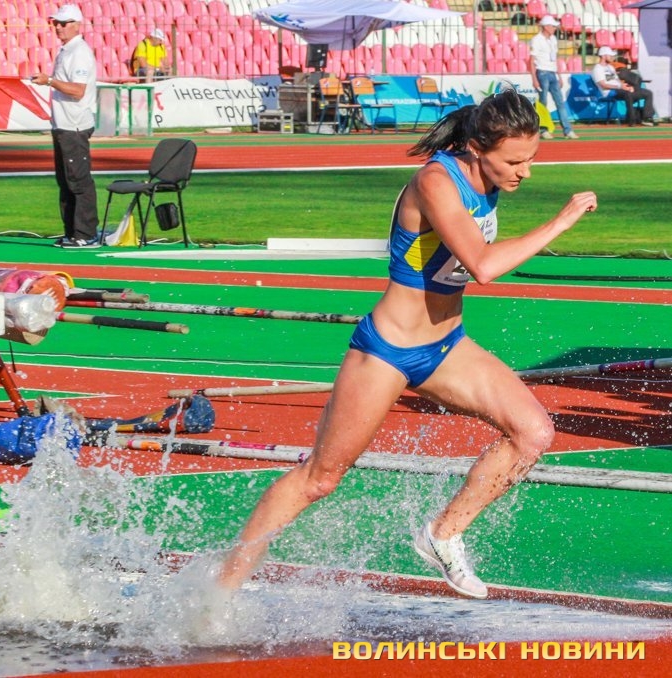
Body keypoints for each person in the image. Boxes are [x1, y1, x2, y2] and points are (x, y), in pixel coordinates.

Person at [215, 89, 598, 600]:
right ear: (477, 148)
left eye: (531, 159)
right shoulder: (436, 181)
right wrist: (561, 222)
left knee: (533, 433)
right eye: (514, 162)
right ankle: (221, 590)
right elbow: (483, 266)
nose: (525, 172)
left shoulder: (489, 175)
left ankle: (442, 533)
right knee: (320, 479)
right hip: (387, 351)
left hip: (446, 347)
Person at [32, 5, 100, 249]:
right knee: (66, 181)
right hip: (63, 124)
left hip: (75, 125)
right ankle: (72, 232)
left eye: (63, 23)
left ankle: (86, 234)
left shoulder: (79, 53)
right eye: (56, 23)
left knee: (78, 181)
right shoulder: (67, 51)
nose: (58, 27)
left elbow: (78, 91)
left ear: (77, 24)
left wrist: (50, 81)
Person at [528, 15, 577, 140]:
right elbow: (532, 60)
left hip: (552, 73)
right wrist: (534, 78)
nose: (555, 28)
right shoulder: (536, 39)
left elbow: (555, 59)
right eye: (553, 26)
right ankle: (543, 129)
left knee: (560, 102)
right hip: (542, 72)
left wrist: (559, 75)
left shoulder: (553, 39)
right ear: (546, 27)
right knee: (543, 104)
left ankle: (567, 130)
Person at [593, 46, 655, 127]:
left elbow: (617, 81)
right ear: (603, 56)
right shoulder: (597, 69)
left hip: (619, 89)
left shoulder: (610, 67)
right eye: (610, 55)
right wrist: (621, 87)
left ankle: (646, 118)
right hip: (609, 92)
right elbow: (604, 85)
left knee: (648, 93)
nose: (612, 57)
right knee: (628, 94)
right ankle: (632, 121)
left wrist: (626, 86)